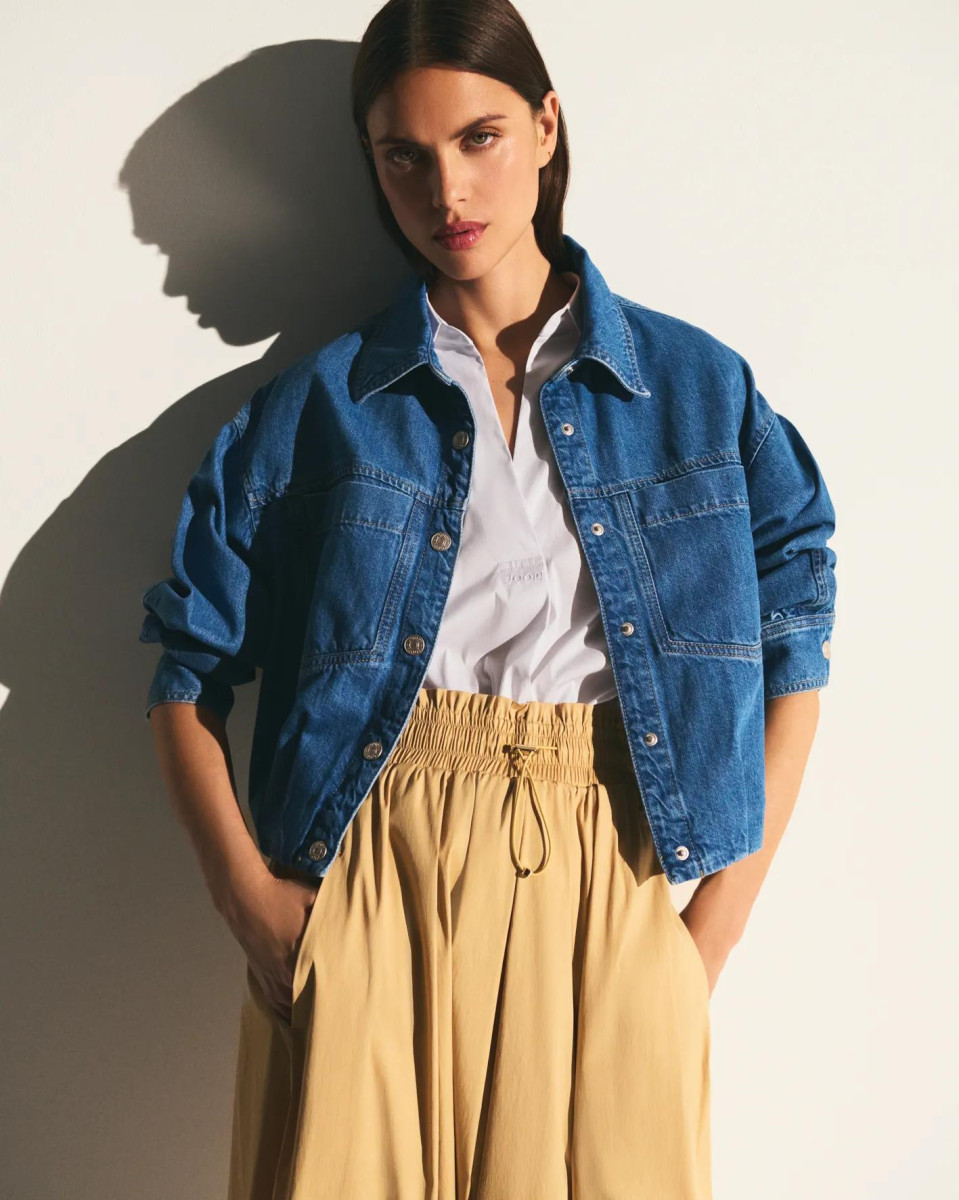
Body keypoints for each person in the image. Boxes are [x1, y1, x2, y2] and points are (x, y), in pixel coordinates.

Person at [138, 1, 838, 1197]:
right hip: (375, 869)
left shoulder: (692, 389)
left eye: (479, 138)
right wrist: (254, 907)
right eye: (402, 156)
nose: (445, 191)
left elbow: (795, 644)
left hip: (609, 871)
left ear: (544, 127)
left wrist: (703, 942)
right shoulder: (319, 408)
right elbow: (185, 668)